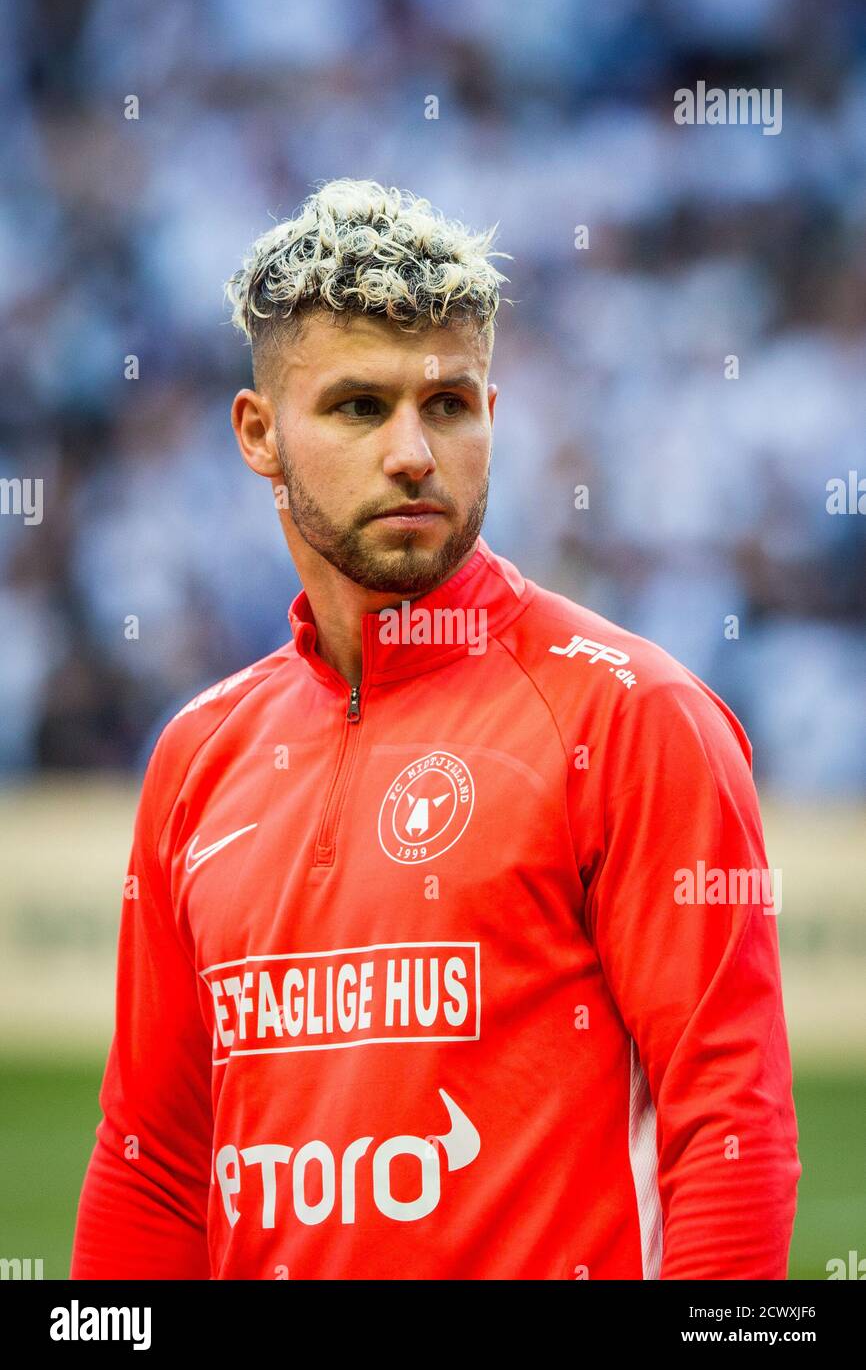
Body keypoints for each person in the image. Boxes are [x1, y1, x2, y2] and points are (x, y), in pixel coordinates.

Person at [70, 178, 800, 1280]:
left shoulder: (633, 717)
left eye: (448, 405)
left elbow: (730, 1129)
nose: (413, 452)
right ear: (258, 434)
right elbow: (155, 1162)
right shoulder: (196, 757)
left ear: (492, 420)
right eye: (359, 407)